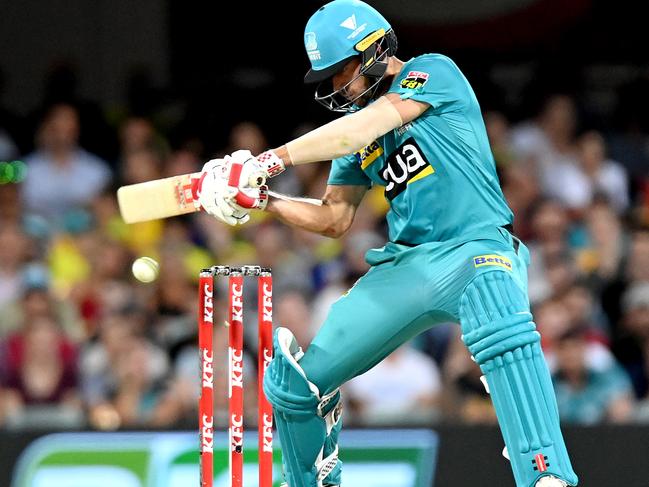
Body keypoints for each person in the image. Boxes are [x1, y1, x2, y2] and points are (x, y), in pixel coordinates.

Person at [195, 1, 577, 485]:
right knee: (295, 386)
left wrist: (268, 160)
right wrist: (264, 200)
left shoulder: (431, 72)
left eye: (341, 73)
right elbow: (335, 218)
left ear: (374, 49)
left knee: (498, 315)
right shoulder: (355, 130)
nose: (336, 88)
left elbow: (364, 126)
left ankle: (546, 473)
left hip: (476, 246)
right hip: (407, 267)